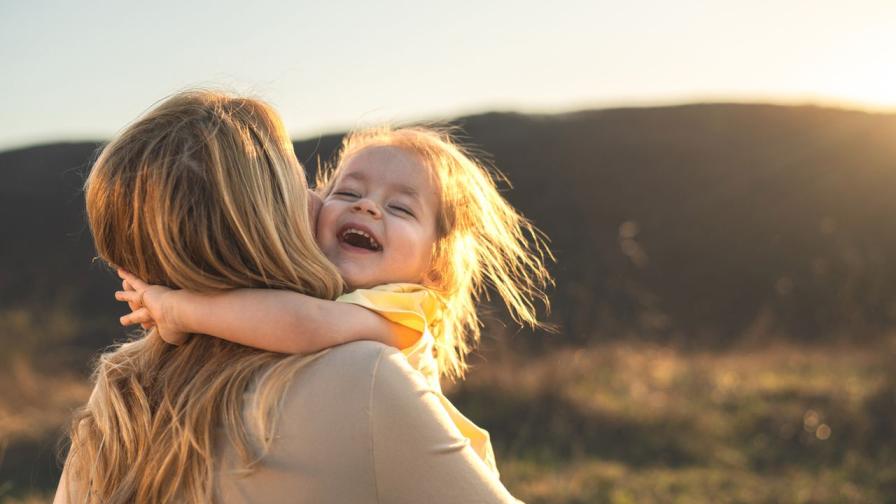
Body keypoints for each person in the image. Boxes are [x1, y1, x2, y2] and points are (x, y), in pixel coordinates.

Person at [54, 90, 523, 503]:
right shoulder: (364, 377)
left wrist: (179, 307)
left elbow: (306, 323)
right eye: (337, 190)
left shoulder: (120, 390)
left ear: (435, 265)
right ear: (263, 217)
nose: (363, 206)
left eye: (400, 207)